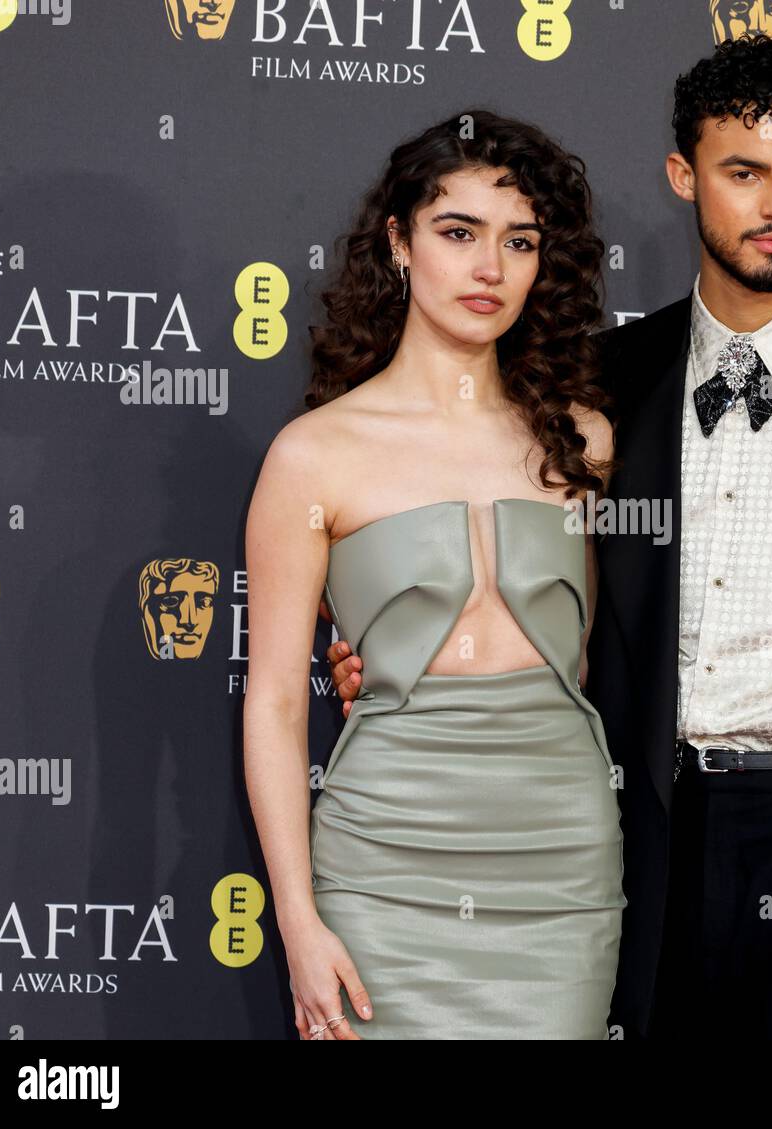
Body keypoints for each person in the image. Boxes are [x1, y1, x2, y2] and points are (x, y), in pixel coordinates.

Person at [332, 34, 772, 1040]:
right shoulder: (600, 382)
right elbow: (527, 584)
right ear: (684, 175)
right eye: (744, 172)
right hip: (639, 842)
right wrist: (403, 647)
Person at [244, 109, 625, 1040]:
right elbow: (275, 704)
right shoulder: (315, 456)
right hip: (383, 859)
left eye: (519, 241)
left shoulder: (582, 443)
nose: (489, 268)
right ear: (400, 243)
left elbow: (580, 658)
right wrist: (296, 919)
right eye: (458, 233)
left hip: (559, 859)